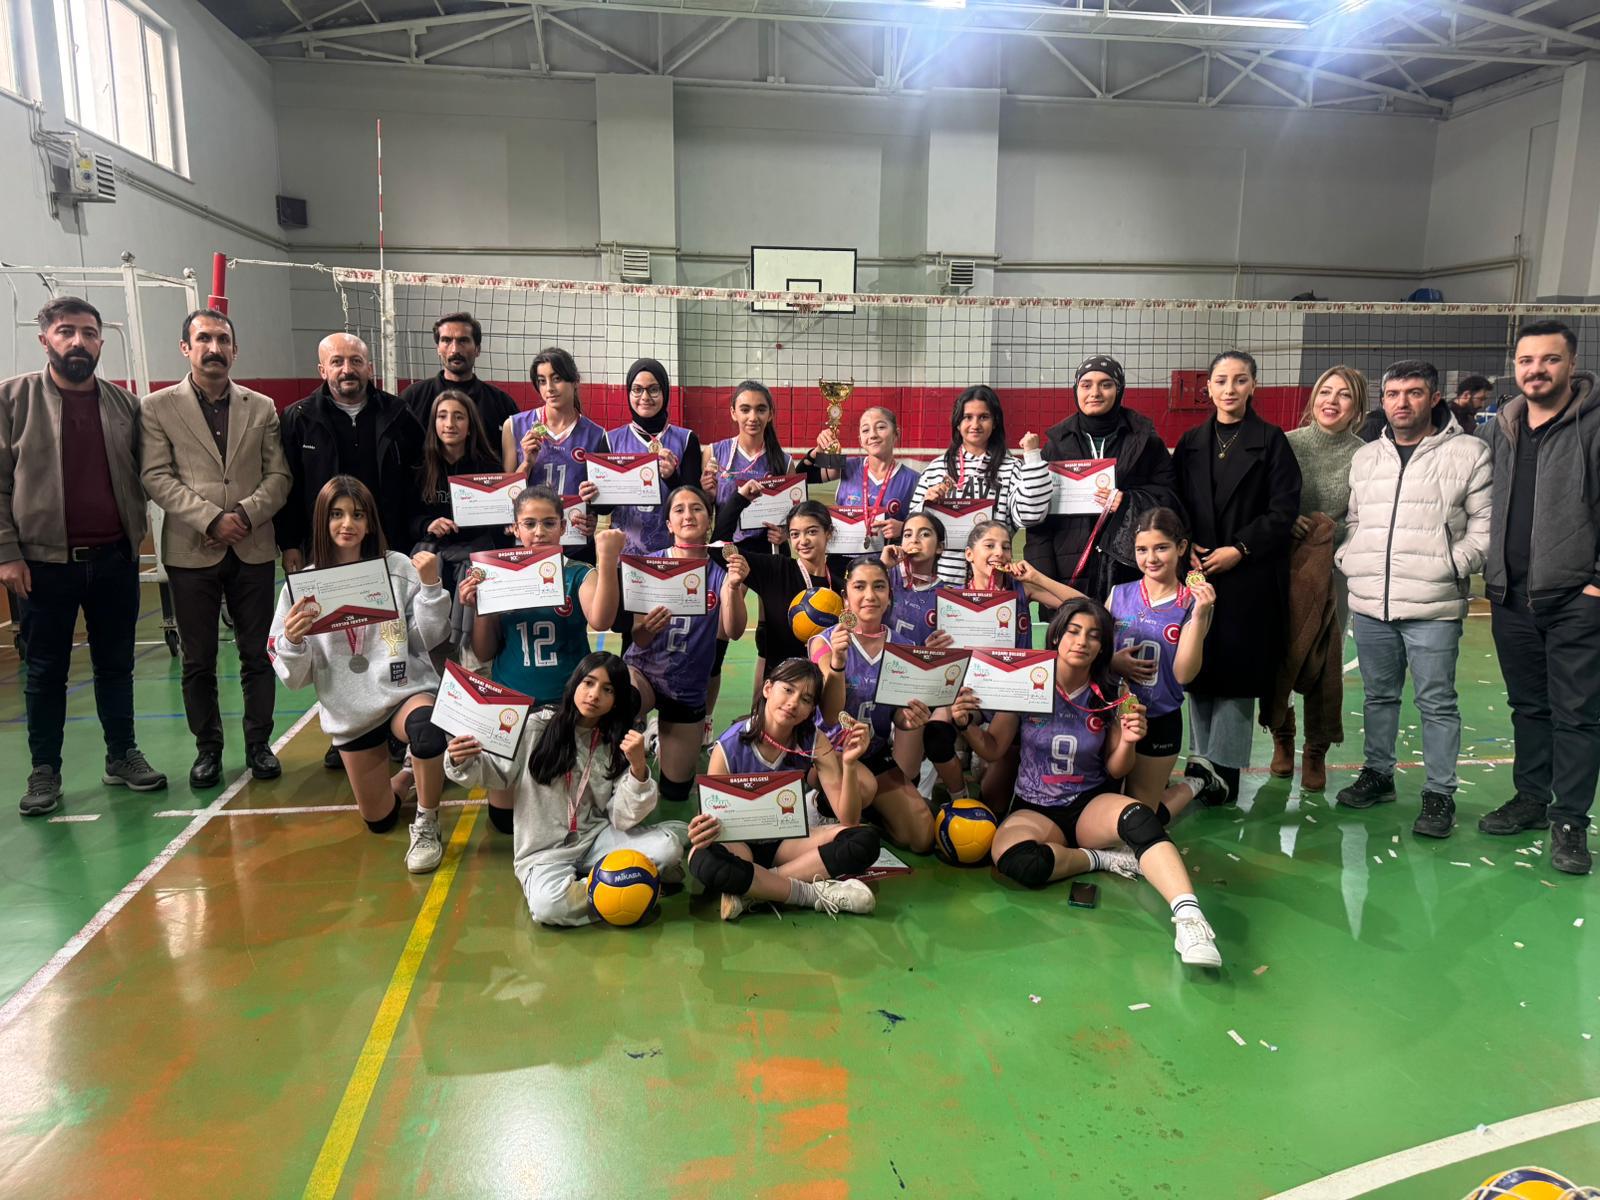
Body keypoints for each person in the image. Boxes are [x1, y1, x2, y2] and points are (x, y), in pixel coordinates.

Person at [951, 598, 1222, 968]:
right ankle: (1100, 859)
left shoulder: (1113, 692)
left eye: (1094, 635)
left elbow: (1116, 769)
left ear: (1102, 646)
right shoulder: (1028, 681)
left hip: (1089, 805)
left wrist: (1128, 741)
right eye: (1074, 631)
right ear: (1056, 635)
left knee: (1141, 818)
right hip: (1036, 807)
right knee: (1018, 861)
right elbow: (994, 748)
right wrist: (966, 724)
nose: (1082, 641)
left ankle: (1191, 919)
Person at [1, 297, 167, 815]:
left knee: (115, 665)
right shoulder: (12, 400)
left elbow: (150, 474)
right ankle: (44, 770)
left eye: (89, 333)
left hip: (114, 558)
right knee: (45, 672)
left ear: (100, 342)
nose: (79, 341)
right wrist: (7, 553)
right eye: (66, 331)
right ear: (44, 339)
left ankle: (122, 755)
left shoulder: (124, 406)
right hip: (43, 565)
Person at [1334, 361, 1490, 838]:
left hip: (1433, 605)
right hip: (1371, 603)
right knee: (1379, 697)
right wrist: (1350, 557)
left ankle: (1439, 793)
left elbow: (1485, 527)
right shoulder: (1367, 458)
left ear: (1434, 397)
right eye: (1393, 394)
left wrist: (1450, 564)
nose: (1402, 402)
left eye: (1414, 392)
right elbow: (1355, 520)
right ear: (1383, 401)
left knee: (1436, 703)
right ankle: (1378, 774)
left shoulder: (1469, 453)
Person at [268, 476, 453, 873]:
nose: (347, 524)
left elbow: (428, 638)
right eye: (336, 514)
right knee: (380, 820)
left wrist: (431, 588)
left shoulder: (398, 567)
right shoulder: (302, 588)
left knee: (426, 729)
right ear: (323, 522)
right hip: (350, 709)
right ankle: (409, 776)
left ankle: (428, 820)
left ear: (370, 522)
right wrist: (293, 642)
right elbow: (294, 679)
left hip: (403, 691)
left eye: (357, 514)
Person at [140, 309, 291, 788]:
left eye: (223, 339)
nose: (214, 348)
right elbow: (156, 476)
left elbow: (279, 475)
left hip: (252, 545)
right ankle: (207, 749)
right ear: (185, 348)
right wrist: (210, 518)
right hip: (191, 549)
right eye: (203, 339)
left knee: (257, 655)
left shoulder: (261, 406)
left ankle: (259, 744)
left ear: (235, 350)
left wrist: (243, 515)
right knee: (198, 659)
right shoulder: (157, 407)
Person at [1478, 320, 1600, 875]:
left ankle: (1570, 821)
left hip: (1576, 597)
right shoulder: (1503, 427)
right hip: (1510, 595)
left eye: (1549, 360)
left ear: (1571, 364)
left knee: (1576, 715)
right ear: (1515, 367)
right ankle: (1531, 798)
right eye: (1527, 361)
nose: (1537, 370)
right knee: (1528, 707)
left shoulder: (1593, 425)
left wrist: (1596, 584)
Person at [445, 653, 690, 926]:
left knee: (668, 849)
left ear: (616, 700)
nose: (594, 695)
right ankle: (626, 888)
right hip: (545, 852)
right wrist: (460, 759)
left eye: (607, 690)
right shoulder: (536, 727)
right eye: (589, 683)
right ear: (575, 683)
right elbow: (496, 773)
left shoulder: (615, 742)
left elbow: (622, 818)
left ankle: (621, 880)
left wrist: (638, 768)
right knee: (547, 907)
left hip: (596, 839)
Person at [278, 332, 423, 768]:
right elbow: (287, 486)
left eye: (356, 361)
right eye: (338, 361)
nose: (347, 369)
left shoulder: (398, 413)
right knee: (339, 643)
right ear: (322, 369)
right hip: (327, 555)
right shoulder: (298, 418)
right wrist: (290, 543)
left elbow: (417, 479)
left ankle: (392, 718)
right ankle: (349, 726)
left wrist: (412, 538)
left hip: (386, 548)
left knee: (388, 640)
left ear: (369, 368)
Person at [1170, 350, 1301, 805]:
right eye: (1221, 380)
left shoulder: (1272, 441)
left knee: (1236, 676)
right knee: (1197, 670)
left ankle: (1224, 773)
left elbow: (1284, 510)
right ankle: (1199, 764)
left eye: (1240, 380)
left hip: (1249, 577)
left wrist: (1240, 548)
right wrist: (1185, 543)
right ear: (1207, 388)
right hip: (1197, 572)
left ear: (1253, 386)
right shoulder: (1190, 442)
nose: (1230, 389)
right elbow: (1175, 502)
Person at [459, 488, 624, 833]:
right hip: (513, 705)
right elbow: (484, 651)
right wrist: (478, 608)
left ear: (563, 527)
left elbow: (601, 620)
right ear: (515, 528)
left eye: (549, 523)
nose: (539, 532)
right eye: (529, 523)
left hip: (566, 707)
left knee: (563, 815)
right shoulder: (494, 574)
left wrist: (607, 561)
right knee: (504, 822)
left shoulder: (578, 572)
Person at [687, 657, 880, 921]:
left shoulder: (813, 741)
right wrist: (701, 829)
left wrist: (849, 763)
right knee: (702, 858)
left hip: (786, 844)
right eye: (788, 689)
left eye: (806, 699)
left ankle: (756, 889)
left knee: (864, 840)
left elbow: (848, 819)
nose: (793, 702)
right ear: (768, 688)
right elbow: (712, 819)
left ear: (811, 710)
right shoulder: (728, 746)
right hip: (740, 846)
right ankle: (808, 894)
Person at [1264, 366, 1366, 791]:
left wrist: (1334, 541)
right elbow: (1267, 501)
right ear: (1313, 399)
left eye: (1344, 395)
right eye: (1326, 392)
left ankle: (1316, 749)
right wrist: (1286, 521)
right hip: (1284, 566)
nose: (1332, 401)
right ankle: (1282, 737)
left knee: (1325, 659)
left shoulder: (1366, 455)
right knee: (1281, 654)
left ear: (1357, 407)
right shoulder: (1286, 444)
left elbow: (1366, 517)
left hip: (1334, 570)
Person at [625, 486, 750, 806]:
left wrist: (734, 588)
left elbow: (734, 631)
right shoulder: (649, 565)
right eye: (679, 509)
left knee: (676, 792)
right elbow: (639, 638)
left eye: (696, 508)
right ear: (669, 524)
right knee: (622, 700)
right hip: (644, 672)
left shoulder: (723, 573)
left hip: (688, 687)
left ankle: (659, 734)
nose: (688, 515)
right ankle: (631, 739)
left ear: (709, 520)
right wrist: (647, 628)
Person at [1027, 356, 1180, 615]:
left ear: (1119, 390)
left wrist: (1129, 502)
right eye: (1086, 385)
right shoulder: (1056, 446)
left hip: (1129, 573)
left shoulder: (1147, 442)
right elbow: (1039, 522)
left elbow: (1170, 499)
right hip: (1068, 577)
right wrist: (1046, 582)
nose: (1095, 393)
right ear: (1076, 390)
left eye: (1106, 384)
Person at [809, 557, 937, 853]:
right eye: (859, 587)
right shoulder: (824, 643)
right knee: (863, 786)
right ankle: (820, 803)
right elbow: (831, 715)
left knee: (921, 838)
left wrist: (910, 719)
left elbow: (898, 716)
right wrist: (838, 664)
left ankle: (868, 812)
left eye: (879, 587)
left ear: (889, 595)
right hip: (830, 750)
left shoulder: (904, 648)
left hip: (874, 750)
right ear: (845, 597)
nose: (870, 595)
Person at [1108, 508, 1225, 818]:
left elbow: (1184, 673)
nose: (1151, 558)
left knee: (1143, 818)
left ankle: (1197, 782)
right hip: (1114, 716)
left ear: (1181, 547)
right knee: (1107, 804)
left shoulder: (1193, 603)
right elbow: (1095, 654)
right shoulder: (1118, 594)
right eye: (1142, 550)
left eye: (1161, 547)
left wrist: (1200, 615)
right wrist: (1113, 661)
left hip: (1160, 719)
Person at [910, 385, 1050, 586]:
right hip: (942, 581)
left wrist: (1033, 457)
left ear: (995, 422)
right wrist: (926, 505)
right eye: (968, 417)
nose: (975, 424)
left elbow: (1030, 516)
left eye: (983, 417)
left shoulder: (1011, 468)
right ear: (957, 423)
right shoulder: (936, 468)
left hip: (993, 581)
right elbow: (912, 526)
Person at [405, 389, 506, 602]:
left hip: (477, 559)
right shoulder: (418, 466)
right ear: (434, 423)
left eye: (458, 417)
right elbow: (405, 517)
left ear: (470, 426)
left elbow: (500, 523)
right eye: (442, 416)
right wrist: (427, 525)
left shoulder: (489, 467)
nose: (449, 424)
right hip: (430, 557)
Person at [602, 357, 702, 556]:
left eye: (653, 389)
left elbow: (696, 500)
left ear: (665, 392)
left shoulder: (686, 439)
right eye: (637, 389)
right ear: (628, 393)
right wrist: (593, 497)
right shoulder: (611, 440)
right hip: (625, 555)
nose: (645, 397)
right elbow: (603, 509)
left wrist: (672, 478)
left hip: (674, 554)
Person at [700, 379, 802, 558]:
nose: (753, 417)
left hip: (770, 553)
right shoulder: (714, 453)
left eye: (761, 410)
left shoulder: (785, 462)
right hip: (728, 550)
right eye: (745, 410)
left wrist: (785, 533)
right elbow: (704, 512)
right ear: (733, 413)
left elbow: (795, 519)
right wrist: (706, 495)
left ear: (770, 414)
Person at [812, 406, 919, 547]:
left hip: (887, 558)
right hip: (844, 557)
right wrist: (821, 448)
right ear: (861, 440)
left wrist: (905, 528)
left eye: (881, 427)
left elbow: (927, 527)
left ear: (896, 434)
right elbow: (807, 475)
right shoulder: (845, 466)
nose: (873, 435)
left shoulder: (914, 480)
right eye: (865, 430)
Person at [399, 312, 518, 438]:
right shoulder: (413, 397)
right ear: (438, 348)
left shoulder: (501, 402)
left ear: (477, 349)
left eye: (463, 341)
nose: (455, 349)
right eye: (446, 340)